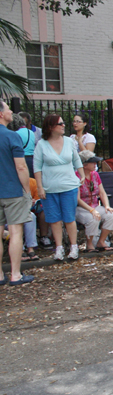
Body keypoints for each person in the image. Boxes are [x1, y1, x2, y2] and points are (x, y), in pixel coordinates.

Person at [33, 114, 85, 261]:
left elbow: (76, 159)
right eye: (60, 123)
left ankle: (74, 247)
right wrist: (40, 187)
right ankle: (59, 247)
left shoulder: (69, 142)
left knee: (69, 218)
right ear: (50, 127)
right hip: (50, 188)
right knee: (54, 219)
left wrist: (81, 175)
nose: (64, 125)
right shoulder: (41, 144)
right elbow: (37, 167)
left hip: (69, 186)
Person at [0, 100, 34, 286]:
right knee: (15, 232)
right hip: (12, 190)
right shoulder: (12, 136)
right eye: (8, 108)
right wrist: (27, 190)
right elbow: (21, 167)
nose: (11, 111)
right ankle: (15, 274)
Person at [75, 150, 113, 252]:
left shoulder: (95, 174)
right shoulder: (76, 176)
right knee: (93, 217)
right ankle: (89, 244)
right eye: (93, 162)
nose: (95, 164)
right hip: (80, 207)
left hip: (94, 205)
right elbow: (77, 199)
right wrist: (91, 210)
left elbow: (102, 193)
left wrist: (107, 206)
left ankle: (101, 241)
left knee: (111, 215)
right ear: (84, 165)